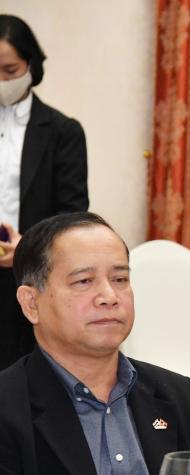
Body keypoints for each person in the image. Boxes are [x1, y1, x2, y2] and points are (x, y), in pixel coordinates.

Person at [0, 213, 190, 475]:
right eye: (84, 281)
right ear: (31, 303)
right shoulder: (8, 407)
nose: (109, 297)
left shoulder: (175, 395)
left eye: (120, 279)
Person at [0, 15, 89, 370]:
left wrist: (29, 246)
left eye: (10, 70)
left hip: (28, 275)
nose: (1, 81)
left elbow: (73, 214)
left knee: (19, 376)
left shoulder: (62, 132)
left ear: (31, 66)